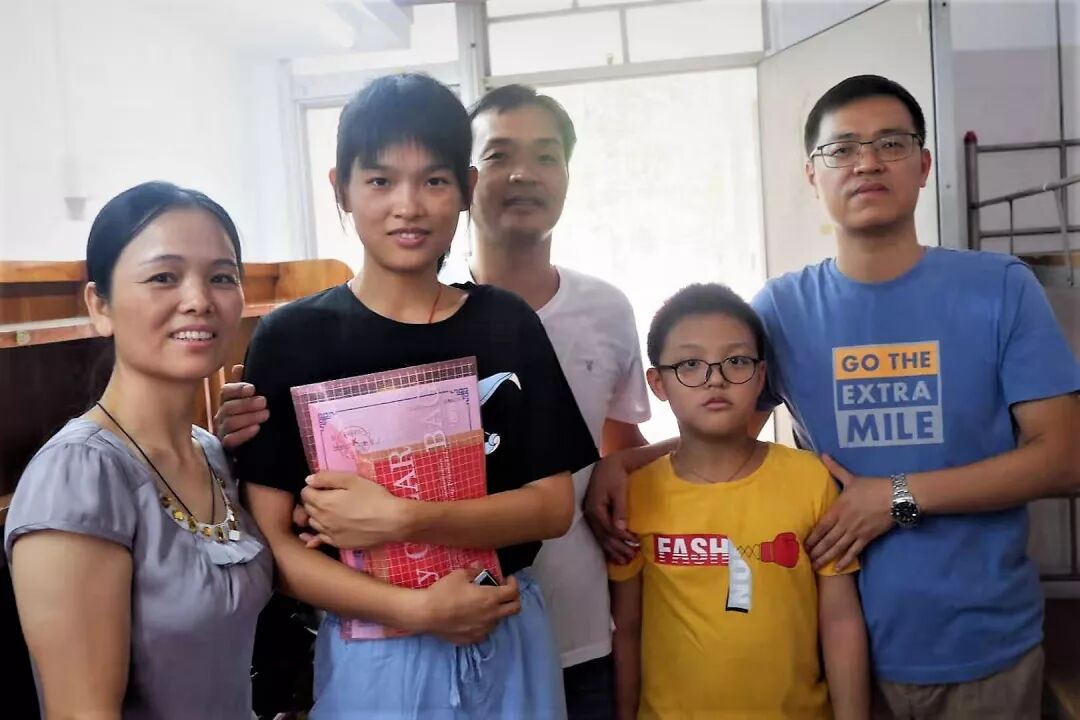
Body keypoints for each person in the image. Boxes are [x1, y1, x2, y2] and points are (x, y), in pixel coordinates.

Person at [587, 75, 1080, 719]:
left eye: (890, 144)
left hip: (978, 644)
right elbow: (723, 429)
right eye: (842, 148)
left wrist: (895, 497)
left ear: (924, 165)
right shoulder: (782, 309)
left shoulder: (1000, 289)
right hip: (823, 640)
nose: (867, 162)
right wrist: (624, 464)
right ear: (812, 175)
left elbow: (1063, 458)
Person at [218, 83, 651, 719]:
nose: (409, 206)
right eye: (380, 181)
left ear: (467, 189)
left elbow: (552, 507)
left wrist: (404, 519)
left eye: (435, 181)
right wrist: (418, 609)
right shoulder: (293, 338)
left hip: (505, 625)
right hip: (370, 646)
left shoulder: (505, 324)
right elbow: (278, 551)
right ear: (341, 188)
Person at [4, 181, 273, 719]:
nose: (199, 300)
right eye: (163, 277)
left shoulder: (210, 452)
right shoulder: (78, 476)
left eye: (221, 277)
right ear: (99, 305)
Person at [608, 283, 868, 719]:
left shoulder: (809, 480)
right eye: (691, 364)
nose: (716, 378)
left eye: (736, 361)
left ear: (761, 375)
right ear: (658, 383)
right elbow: (628, 629)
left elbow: (840, 620)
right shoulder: (635, 495)